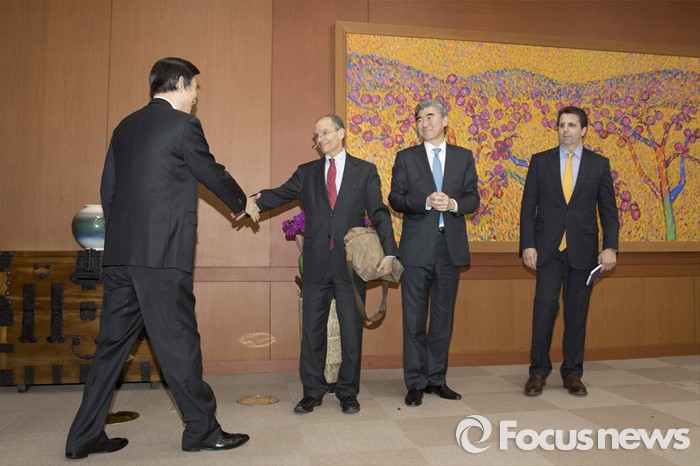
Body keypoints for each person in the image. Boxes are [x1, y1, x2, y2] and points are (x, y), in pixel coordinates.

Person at [65, 57, 259, 459]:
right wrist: (243, 203)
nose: (196, 96)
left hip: (121, 256)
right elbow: (210, 171)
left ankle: (83, 436)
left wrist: (124, 241)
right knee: (179, 343)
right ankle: (202, 430)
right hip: (161, 255)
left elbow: (108, 190)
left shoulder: (124, 127)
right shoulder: (183, 126)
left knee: (110, 349)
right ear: (181, 83)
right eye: (196, 88)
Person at [253, 114, 398, 414]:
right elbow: (279, 194)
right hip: (316, 263)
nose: (320, 139)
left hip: (349, 264)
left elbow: (379, 213)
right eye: (316, 136)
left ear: (341, 133)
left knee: (351, 331)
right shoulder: (306, 172)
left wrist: (390, 252)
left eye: (325, 133)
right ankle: (312, 391)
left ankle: (348, 392)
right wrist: (251, 202)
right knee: (312, 331)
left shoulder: (364, 171)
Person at [520, 105, 619, 397]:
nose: (566, 130)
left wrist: (610, 247)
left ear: (583, 130)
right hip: (548, 250)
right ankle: (538, 372)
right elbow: (528, 208)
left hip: (583, 250)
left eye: (572, 125)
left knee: (577, 313)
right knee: (544, 308)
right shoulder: (541, 161)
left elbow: (609, 211)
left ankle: (573, 373)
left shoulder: (599, 164)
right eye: (562, 125)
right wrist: (527, 244)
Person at [388, 99, 480, 407]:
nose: (423, 123)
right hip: (416, 249)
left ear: (444, 121)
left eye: (429, 116)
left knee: (442, 319)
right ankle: (415, 382)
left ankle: (436, 379)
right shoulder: (406, 157)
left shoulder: (463, 156)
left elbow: (472, 198)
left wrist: (453, 204)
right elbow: (395, 198)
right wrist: (425, 202)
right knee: (414, 319)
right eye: (419, 118)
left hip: (449, 249)